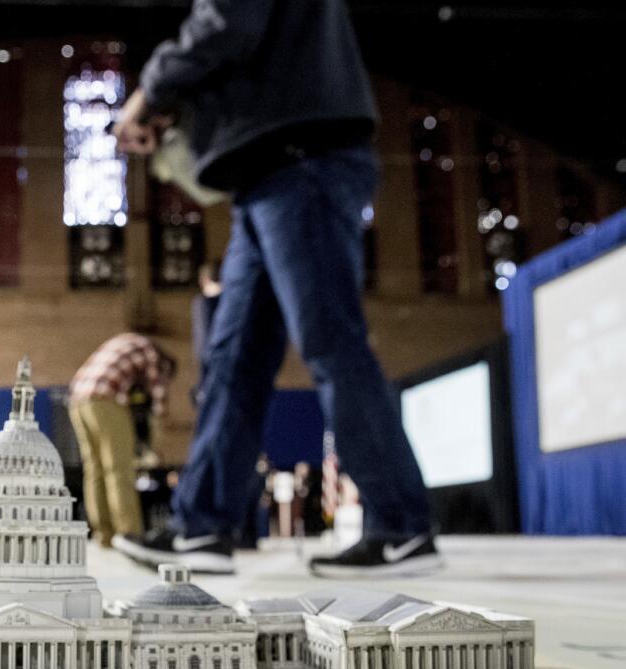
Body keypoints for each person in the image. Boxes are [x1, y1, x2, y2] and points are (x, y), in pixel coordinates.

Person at [111, 0, 436, 576]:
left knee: (331, 342)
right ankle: (201, 528)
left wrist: (150, 91)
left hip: (301, 163)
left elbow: (228, 21)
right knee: (232, 360)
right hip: (264, 175)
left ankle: (402, 525)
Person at [69, 333, 176, 547]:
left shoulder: (125, 340)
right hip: (105, 398)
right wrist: (155, 445)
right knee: (119, 468)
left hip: (77, 400)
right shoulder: (149, 350)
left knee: (94, 469)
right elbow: (158, 398)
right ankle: (129, 534)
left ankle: (104, 534)